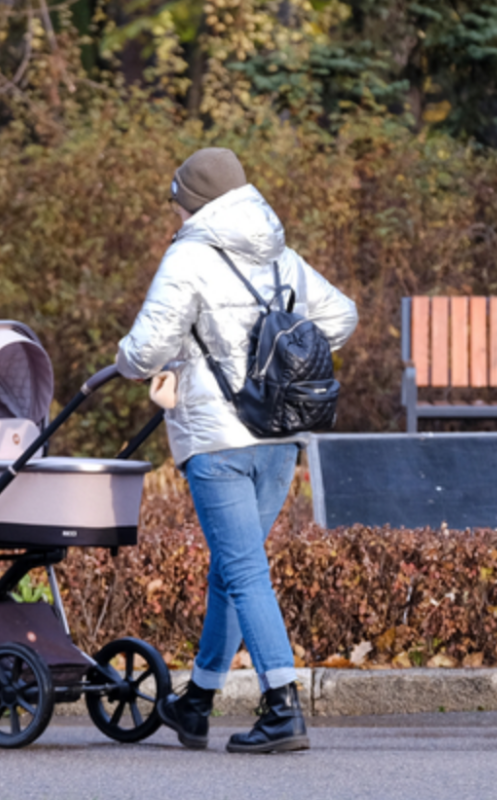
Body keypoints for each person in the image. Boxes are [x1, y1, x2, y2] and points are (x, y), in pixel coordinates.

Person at [116, 148, 358, 753]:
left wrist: (129, 361)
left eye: (177, 199)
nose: (174, 208)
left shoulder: (189, 257)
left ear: (194, 202)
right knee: (232, 568)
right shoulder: (280, 255)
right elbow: (343, 317)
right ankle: (197, 701)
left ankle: (281, 707)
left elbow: (145, 351)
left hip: (217, 439)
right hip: (279, 437)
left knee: (245, 571)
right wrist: (283, 361)